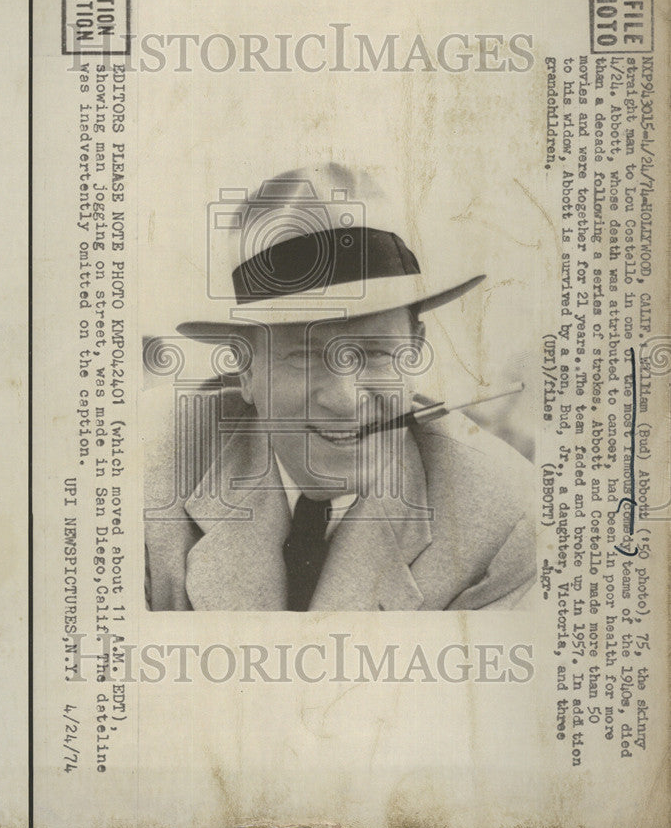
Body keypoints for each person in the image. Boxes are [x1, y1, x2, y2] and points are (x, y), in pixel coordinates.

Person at [145, 163, 535, 611]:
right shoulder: (144, 467)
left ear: (414, 349)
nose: (346, 400)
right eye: (305, 356)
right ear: (246, 371)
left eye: (374, 353)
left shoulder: (504, 526)